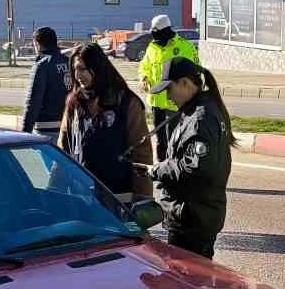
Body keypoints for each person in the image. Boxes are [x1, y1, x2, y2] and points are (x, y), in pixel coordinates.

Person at [139, 56, 235, 259]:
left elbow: (193, 168)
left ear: (184, 83)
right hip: (194, 214)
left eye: (169, 89)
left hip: (193, 218)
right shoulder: (197, 111)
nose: (168, 97)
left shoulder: (200, 118)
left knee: (187, 284)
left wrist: (155, 170)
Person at [58, 42, 153, 203]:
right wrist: (54, 191)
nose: (77, 75)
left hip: (118, 199)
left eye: (82, 69)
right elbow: (63, 149)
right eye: (75, 69)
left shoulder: (126, 103)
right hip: (81, 198)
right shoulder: (74, 102)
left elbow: (141, 153)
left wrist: (144, 200)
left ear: (98, 68)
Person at [139, 14, 198, 160]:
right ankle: (162, 171)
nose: (155, 37)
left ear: (166, 30)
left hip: (176, 102)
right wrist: (144, 78)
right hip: (157, 101)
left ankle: (176, 170)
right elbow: (144, 66)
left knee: (175, 138)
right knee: (161, 140)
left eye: (157, 33)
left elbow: (196, 71)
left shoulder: (185, 46)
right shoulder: (152, 47)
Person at [22, 27, 70, 139]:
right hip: (69, 125)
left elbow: (33, 101)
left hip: (46, 129)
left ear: (37, 44)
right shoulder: (70, 62)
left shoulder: (41, 66)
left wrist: (25, 133)